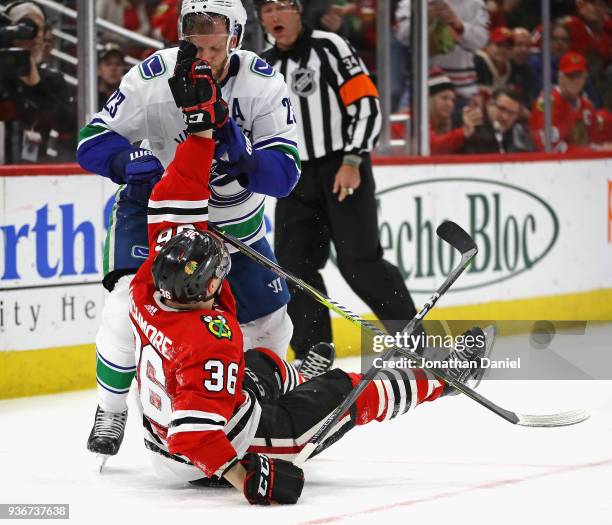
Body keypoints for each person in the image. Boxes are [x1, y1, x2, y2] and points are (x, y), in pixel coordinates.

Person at [130, 56, 495, 503]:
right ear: (207, 287)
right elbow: (192, 436)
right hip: (213, 450)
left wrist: (203, 126)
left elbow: (179, 188)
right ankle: (444, 377)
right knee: (347, 391)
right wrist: (244, 476)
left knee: (262, 363)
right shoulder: (210, 341)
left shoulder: (148, 284)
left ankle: (299, 372)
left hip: (159, 432)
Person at [77, 0, 303, 460]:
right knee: (124, 307)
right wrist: (124, 160)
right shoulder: (151, 76)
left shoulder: (262, 82)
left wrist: (238, 154)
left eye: (213, 36)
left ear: (235, 36)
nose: (201, 47)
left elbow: (284, 175)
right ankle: (111, 407)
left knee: (271, 330)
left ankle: (257, 412)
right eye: (192, 33)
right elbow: (90, 141)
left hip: (233, 223)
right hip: (161, 213)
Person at [256, 0, 418, 360]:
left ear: (298, 11)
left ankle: (415, 344)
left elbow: (365, 103)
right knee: (294, 269)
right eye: (267, 10)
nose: (275, 16)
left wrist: (353, 158)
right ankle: (316, 353)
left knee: (360, 262)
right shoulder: (264, 65)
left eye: (282, 7)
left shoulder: (330, 46)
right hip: (294, 176)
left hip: (342, 168)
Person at [0, 1, 76, 163]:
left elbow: (67, 126)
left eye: (38, 29)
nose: (33, 37)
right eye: (24, 27)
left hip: (34, 173)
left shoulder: (52, 80)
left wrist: (36, 85)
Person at [395, 0, 490, 108]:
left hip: (461, 92)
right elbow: (401, 36)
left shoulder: (474, 3)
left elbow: (482, 40)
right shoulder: (411, 2)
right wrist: (424, 17)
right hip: (421, 90)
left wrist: (459, 25)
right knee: (402, 124)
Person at [530, 51, 598, 152]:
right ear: (560, 76)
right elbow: (548, 147)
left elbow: (593, 142)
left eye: (579, 76)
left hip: (583, 165)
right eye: (570, 76)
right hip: (551, 166)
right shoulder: (546, 103)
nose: (574, 80)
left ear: (585, 78)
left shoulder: (588, 106)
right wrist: (588, 151)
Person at [427, 69, 483, 154]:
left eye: (452, 100)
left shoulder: (452, 124)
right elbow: (432, 146)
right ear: (428, 99)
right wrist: (463, 133)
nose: (450, 104)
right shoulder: (412, 120)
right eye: (444, 98)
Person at [463, 87, 534, 153]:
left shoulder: (519, 135)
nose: (505, 117)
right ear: (489, 104)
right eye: (502, 109)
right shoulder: (472, 130)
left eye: (511, 113)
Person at [97, 43, 127, 109]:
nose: (113, 68)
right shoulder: (90, 98)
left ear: (123, 69)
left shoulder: (129, 98)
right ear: (98, 69)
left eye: (118, 64)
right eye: (108, 64)